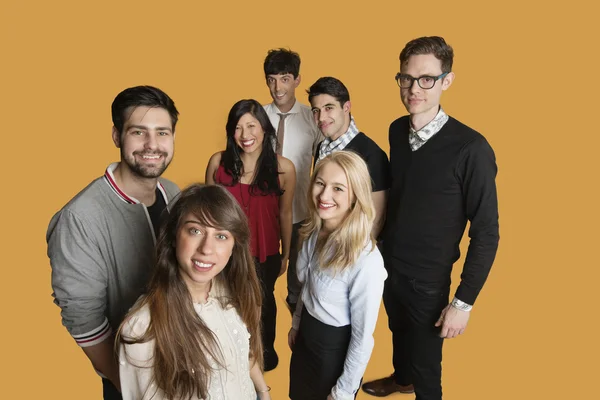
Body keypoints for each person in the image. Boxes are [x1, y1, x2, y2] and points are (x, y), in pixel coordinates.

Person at [361, 36, 500, 400]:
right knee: (397, 330)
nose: (414, 89)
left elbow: (486, 232)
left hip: (429, 279)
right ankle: (400, 377)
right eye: (406, 78)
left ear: (446, 81)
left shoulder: (471, 149)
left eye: (427, 79)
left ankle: (415, 381)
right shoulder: (396, 130)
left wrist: (462, 303)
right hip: (389, 262)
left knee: (427, 369)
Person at [46, 85, 181, 399]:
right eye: (138, 132)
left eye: (162, 132)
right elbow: (84, 321)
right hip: (131, 377)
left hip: (181, 358)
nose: (152, 145)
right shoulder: (80, 217)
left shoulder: (173, 192)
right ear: (117, 136)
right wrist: (132, 387)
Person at [117, 184, 271, 400]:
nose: (206, 249)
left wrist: (263, 391)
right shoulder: (142, 327)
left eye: (221, 236)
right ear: (174, 236)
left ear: (234, 246)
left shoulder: (233, 293)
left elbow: (242, 351)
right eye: (195, 231)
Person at [288, 151, 387, 400]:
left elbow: (362, 338)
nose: (324, 195)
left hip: (333, 352)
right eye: (320, 183)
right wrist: (297, 324)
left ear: (355, 197)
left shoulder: (367, 261)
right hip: (306, 338)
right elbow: (307, 288)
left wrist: (343, 391)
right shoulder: (314, 232)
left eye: (338, 188)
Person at [205, 99, 296, 371]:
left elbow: (285, 214)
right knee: (225, 301)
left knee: (264, 303)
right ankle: (227, 354)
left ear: (264, 129)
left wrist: (286, 254)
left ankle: (263, 354)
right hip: (224, 253)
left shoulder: (284, 168)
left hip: (265, 252)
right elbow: (207, 213)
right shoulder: (217, 162)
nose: (246, 135)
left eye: (252, 126)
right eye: (238, 127)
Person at [262, 48, 323, 314]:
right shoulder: (258, 117)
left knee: (297, 285)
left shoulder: (314, 118)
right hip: (262, 213)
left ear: (297, 80)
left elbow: (327, 161)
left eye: (285, 78)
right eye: (271, 79)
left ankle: (299, 338)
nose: (277, 87)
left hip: (300, 214)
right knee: (257, 281)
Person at [308, 77, 390, 239]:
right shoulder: (321, 147)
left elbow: (376, 217)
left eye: (328, 108)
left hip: (351, 249)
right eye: (316, 110)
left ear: (346, 107)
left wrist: (354, 257)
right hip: (322, 241)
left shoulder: (371, 154)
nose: (321, 118)